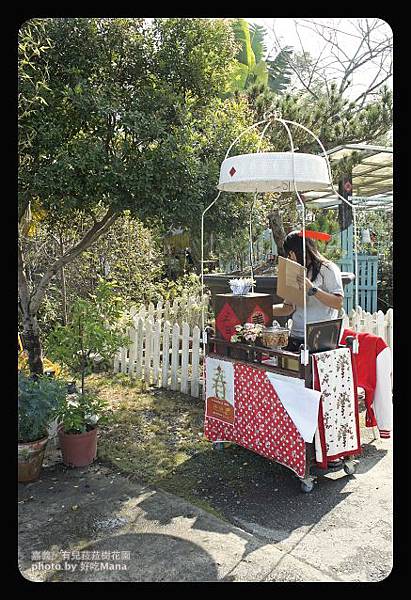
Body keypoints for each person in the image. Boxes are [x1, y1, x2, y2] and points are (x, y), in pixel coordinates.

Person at [273, 230, 344, 352]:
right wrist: (262, 310)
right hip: (296, 336)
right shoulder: (296, 271)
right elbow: (288, 307)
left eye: (289, 254)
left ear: (296, 251)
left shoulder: (328, 269)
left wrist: (312, 289)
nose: (289, 258)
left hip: (319, 340)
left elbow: (338, 303)